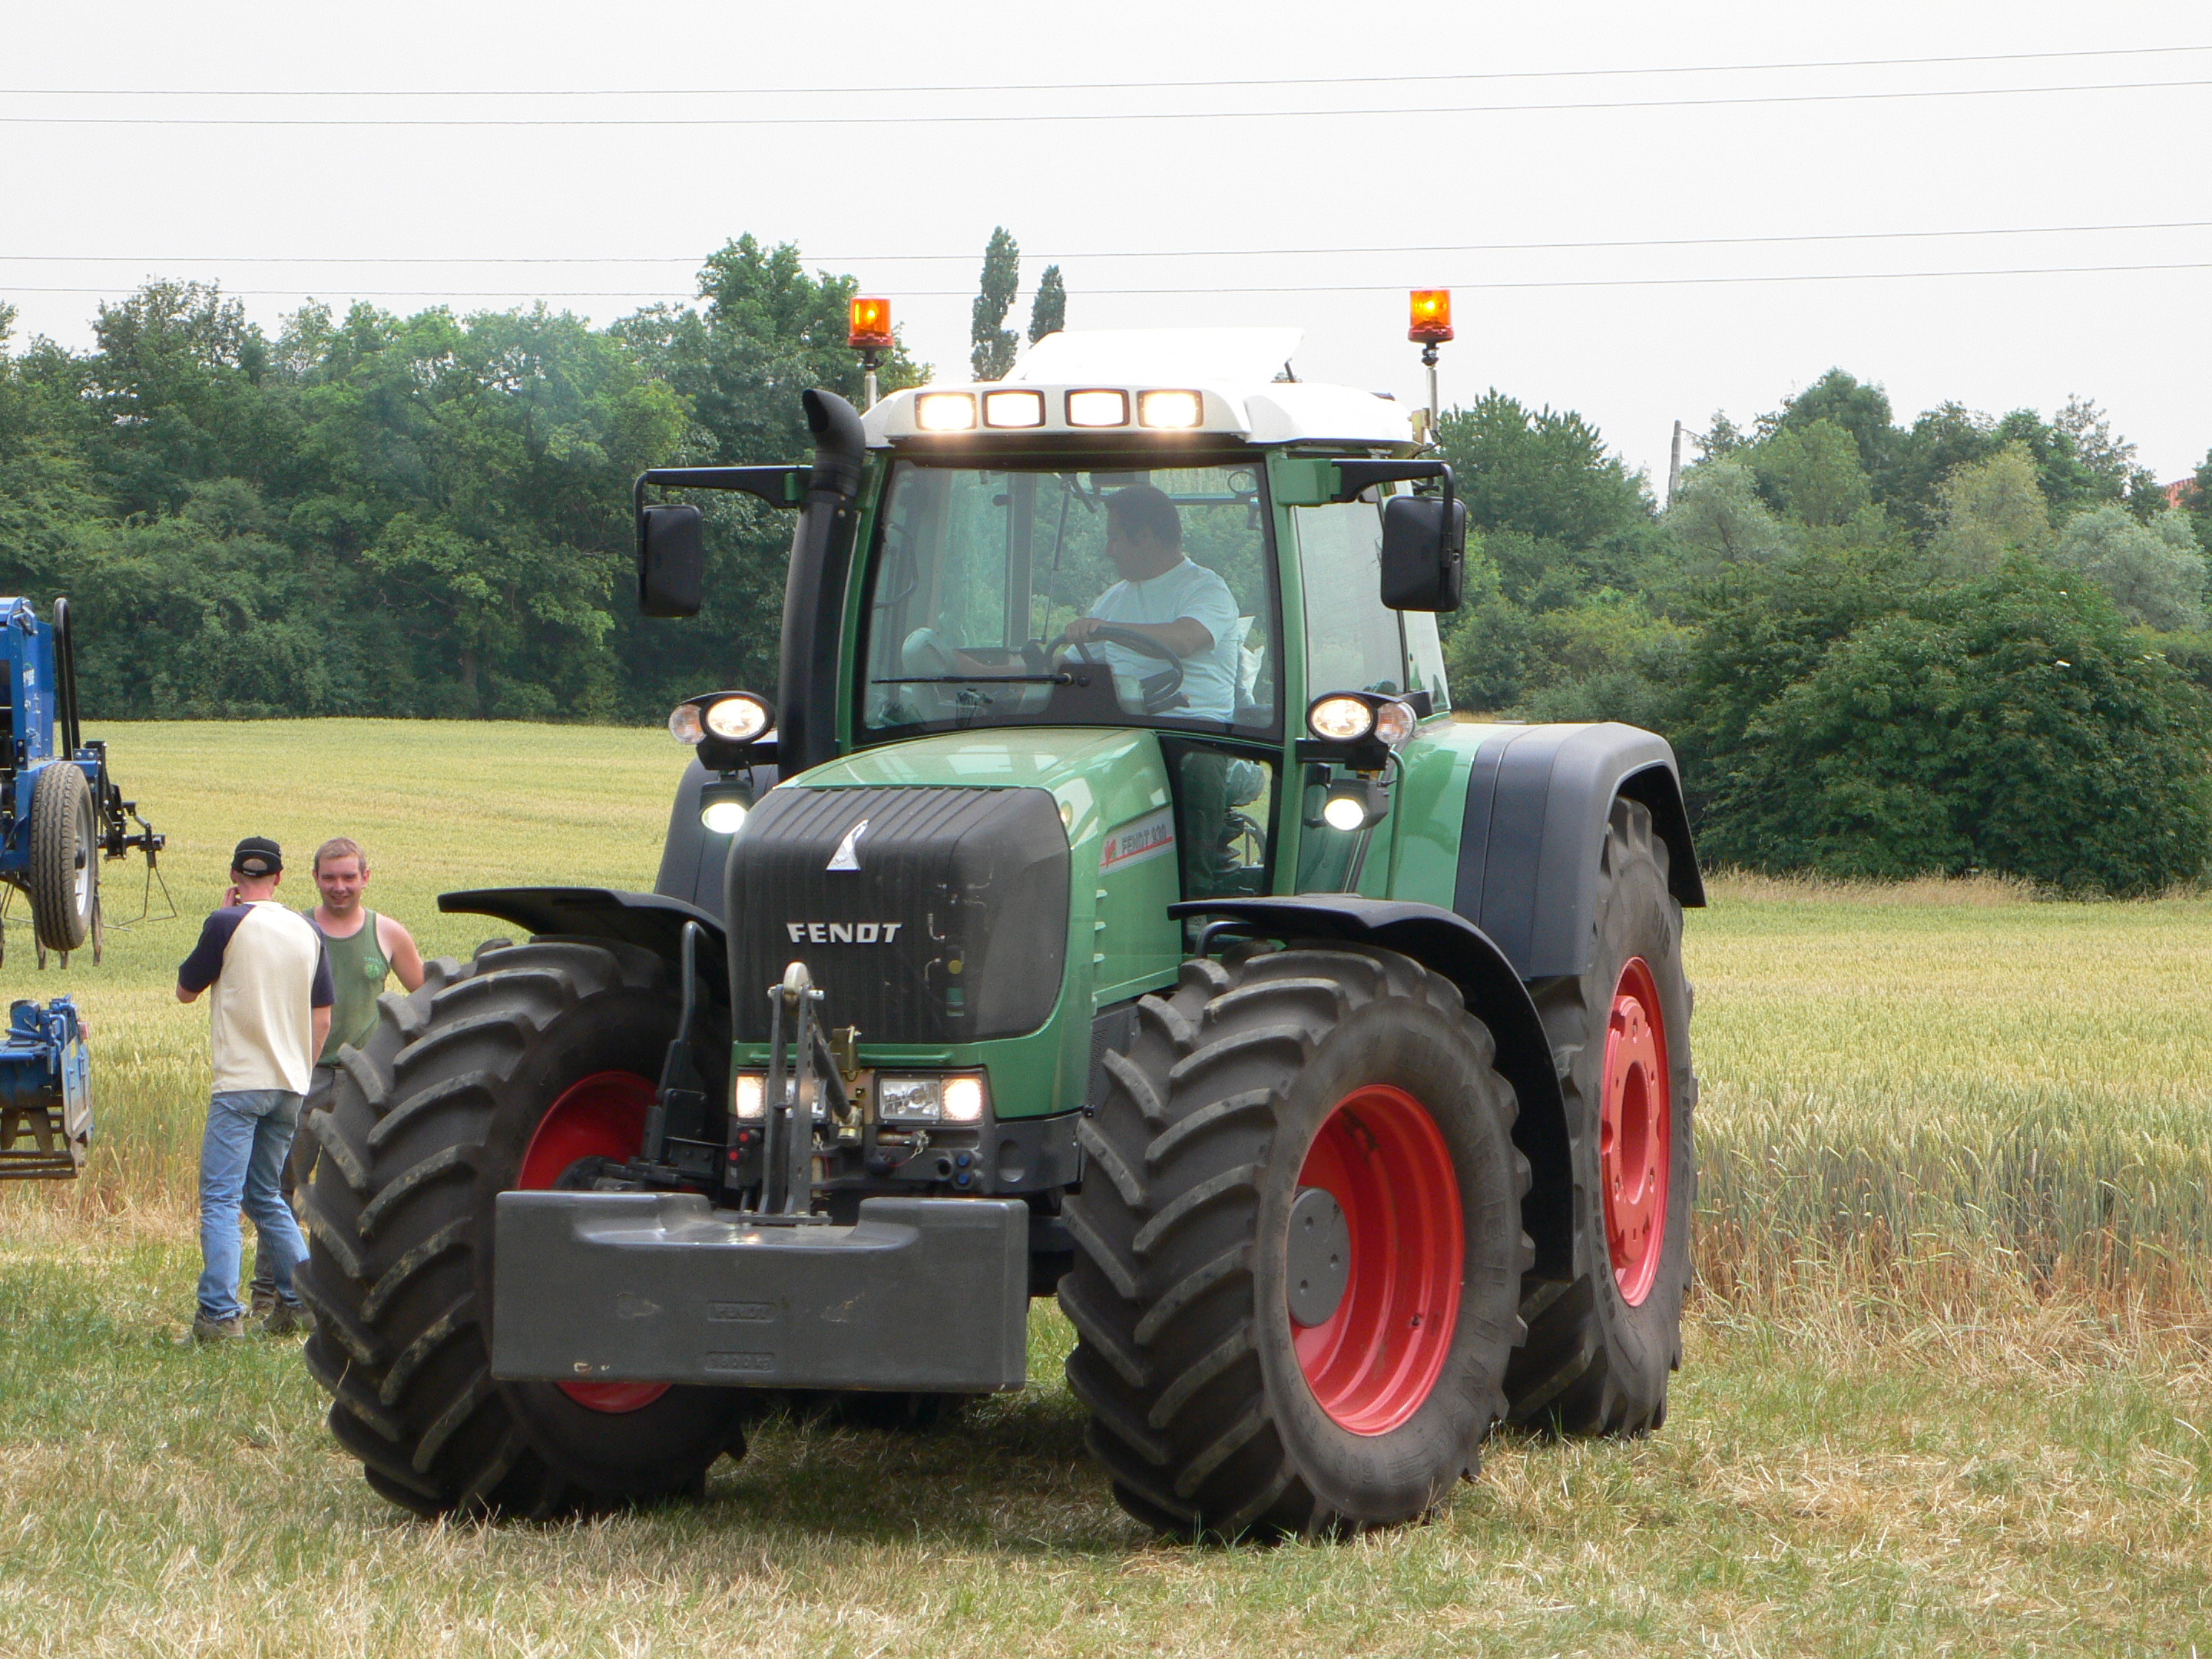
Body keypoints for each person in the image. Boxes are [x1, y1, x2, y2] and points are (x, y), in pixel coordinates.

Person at [247, 835, 426, 1316]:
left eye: (349, 877)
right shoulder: (295, 930)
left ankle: (354, 1299)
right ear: (315, 879)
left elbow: (425, 1000)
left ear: (366, 878)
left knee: (358, 1194)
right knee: (281, 1187)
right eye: (330, 877)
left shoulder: (387, 935)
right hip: (302, 1075)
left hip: (363, 1086)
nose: (340, 887)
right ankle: (272, 1298)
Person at [177, 837, 333, 1341]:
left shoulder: (227, 923)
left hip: (239, 1083)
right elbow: (322, 1017)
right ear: (281, 879)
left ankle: (220, 1315)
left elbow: (184, 991)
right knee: (266, 1194)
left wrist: (224, 918)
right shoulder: (309, 931)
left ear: (234, 875)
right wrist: (300, 1071)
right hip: (290, 1084)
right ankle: (304, 1302)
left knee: (222, 1199)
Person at [1062, 485, 1243, 724]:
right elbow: (1069, 664)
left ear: (1144, 537)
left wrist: (1107, 630)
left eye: (1113, 538)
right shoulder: (1113, 599)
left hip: (1195, 732)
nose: (1109, 551)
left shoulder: (1207, 590)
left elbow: (1184, 641)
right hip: (1122, 727)